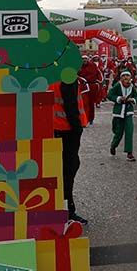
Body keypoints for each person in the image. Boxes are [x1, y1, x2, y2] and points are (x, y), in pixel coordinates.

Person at [51, 77, 90, 224]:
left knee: (59, 171)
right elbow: (71, 105)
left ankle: (61, 208)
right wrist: (77, 127)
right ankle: (67, 211)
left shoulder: (47, 72)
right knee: (68, 170)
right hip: (67, 129)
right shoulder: (67, 75)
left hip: (52, 127)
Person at [108, 70, 137, 161]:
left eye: (127, 76)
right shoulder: (118, 86)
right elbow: (110, 95)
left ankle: (129, 153)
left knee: (129, 131)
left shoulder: (132, 87)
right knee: (118, 133)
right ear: (121, 78)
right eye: (124, 76)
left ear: (130, 78)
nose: (126, 77)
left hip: (129, 112)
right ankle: (113, 145)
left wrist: (132, 100)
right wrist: (118, 98)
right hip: (119, 113)